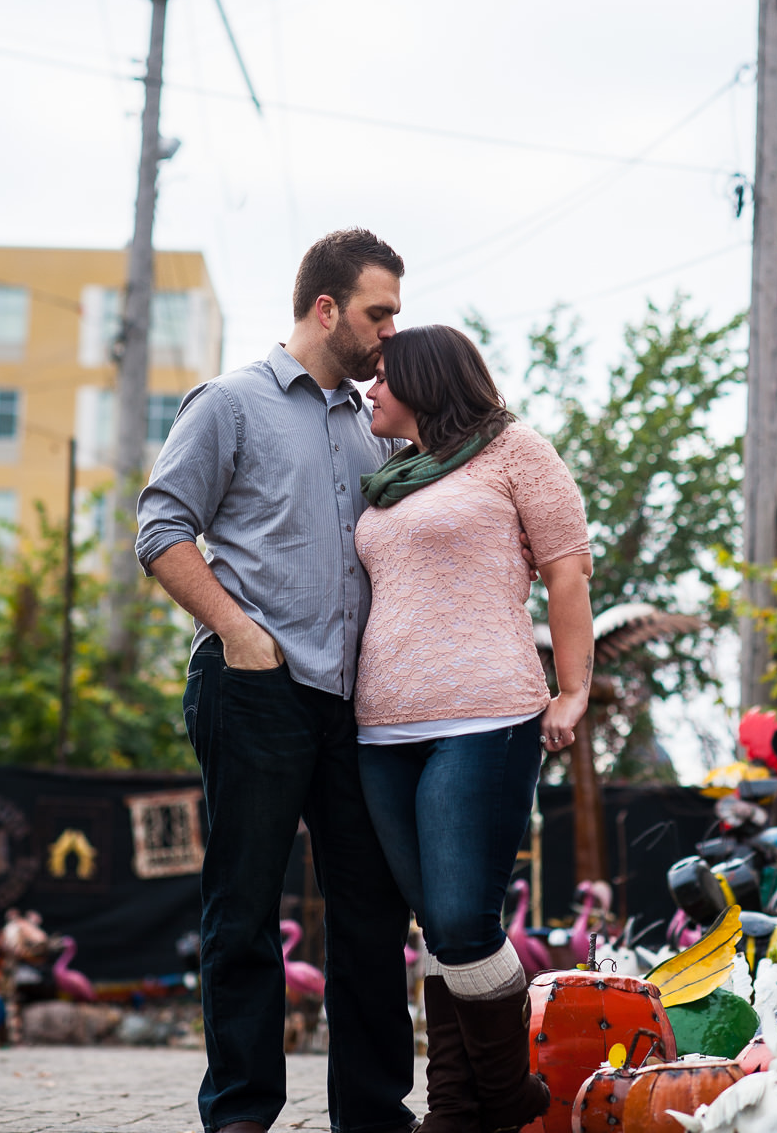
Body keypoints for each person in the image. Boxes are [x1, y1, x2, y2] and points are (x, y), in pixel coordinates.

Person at [134, 229, 418, 1133]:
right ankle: (242, 1116)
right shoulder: (230, 403)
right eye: (379, 314)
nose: (390, 335)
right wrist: (236, 630)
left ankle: (372, 1116)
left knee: (370, 913)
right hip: (254, 685)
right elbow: (160, 529)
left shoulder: (377, 425)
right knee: (245, 907)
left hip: (356, 703)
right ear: (326, 309)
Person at [353, 325, 594, 1133]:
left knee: (461, 919)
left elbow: (567, 570)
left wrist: (572, 690)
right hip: (382, 729)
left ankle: (503, 1092)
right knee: (441, 931)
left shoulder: (515, 449)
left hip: (485, 715)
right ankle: (457, 1107)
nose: (369, 389)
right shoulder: (390, 476)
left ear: (424, 379)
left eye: (382, 376)